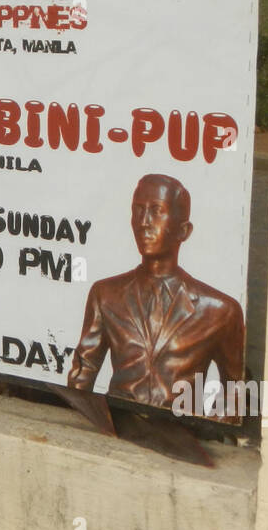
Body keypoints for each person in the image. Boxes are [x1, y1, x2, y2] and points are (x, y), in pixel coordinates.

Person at [67, 174, 245, 415]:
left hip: (182, 439)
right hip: (119, 430)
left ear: (184, 230)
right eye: (137, 211)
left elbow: (235, 390)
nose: (144, 222)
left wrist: (211, 436)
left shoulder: (220, 311)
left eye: (156, 211)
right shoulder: (106, 294)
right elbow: (82, 373)